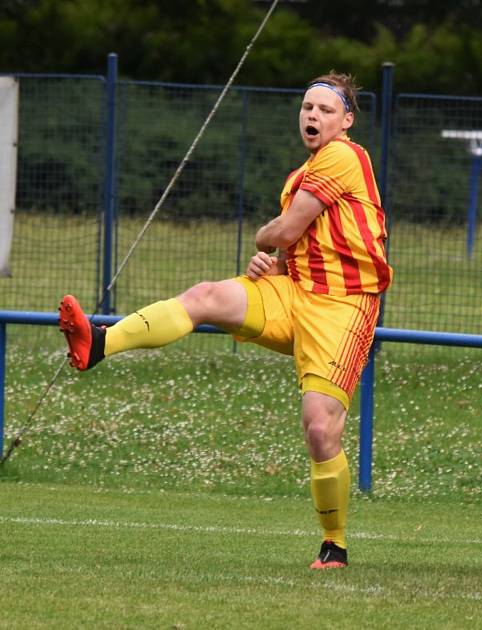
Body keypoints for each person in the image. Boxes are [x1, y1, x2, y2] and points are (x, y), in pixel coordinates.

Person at [58, 71, 392, 569]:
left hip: (344, 308)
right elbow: (296, 244)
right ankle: (100, 344)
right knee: (207, 295)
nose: (312, 116)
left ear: (347, 120)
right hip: (297, 293)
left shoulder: (345, 155)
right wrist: (273, 264)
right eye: (306, 108)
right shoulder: (300, 177)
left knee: (320, 430)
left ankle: (335, 544)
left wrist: (265, 240)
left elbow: (285, 229)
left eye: (324, 110)